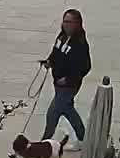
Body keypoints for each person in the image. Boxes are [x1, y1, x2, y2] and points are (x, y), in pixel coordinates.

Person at [39, 9, 91, 148]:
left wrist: (68, 79)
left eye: (69, 22)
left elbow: (85, 67)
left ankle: (44, 142)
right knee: (68, 111)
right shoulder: (62, 36)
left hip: (68, 86)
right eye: (64, 21)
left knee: (53, 113)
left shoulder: (80, 44)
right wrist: (49, 61)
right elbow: (56, 51)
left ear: (77, 24)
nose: (65, 24)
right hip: (58, 83)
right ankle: (82, 139)